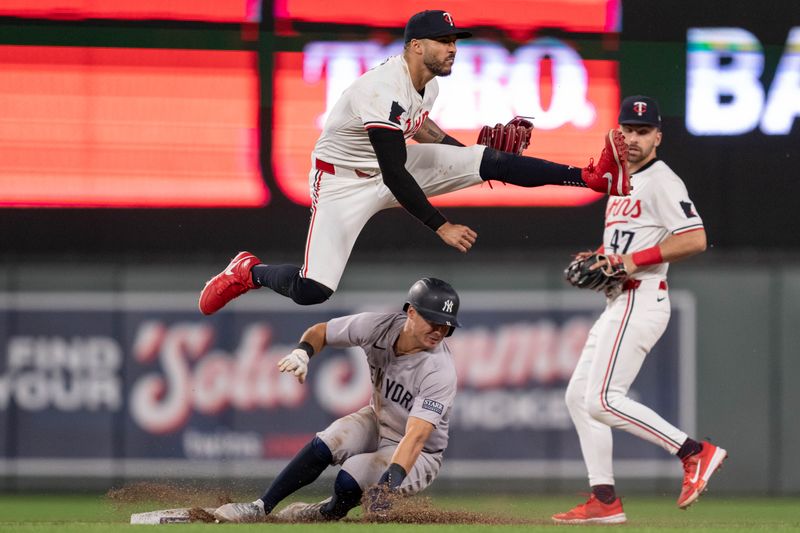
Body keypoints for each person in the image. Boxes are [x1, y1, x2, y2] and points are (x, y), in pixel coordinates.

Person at [198, 9, 630, 315]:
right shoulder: (381, 86)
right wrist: (441, 225)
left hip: (393, 167)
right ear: (415, 46)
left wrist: (465, 156)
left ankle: (589, 177)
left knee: (490, 161)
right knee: (313, 290)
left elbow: (421, 129)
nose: (452, 49)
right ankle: (248, 272)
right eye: (443, 41)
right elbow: (393, 171)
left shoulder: (429, 87)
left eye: (454, 41)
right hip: (342, 183)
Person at [552, 95, 727, 525]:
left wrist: (626, 263)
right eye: (627, 129)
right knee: (579, 398)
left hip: (642, 295)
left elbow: (695, 238)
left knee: (603, 400)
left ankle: (694, 453)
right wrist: (600, 257)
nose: (632, 138)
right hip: (620, 299)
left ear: (658, 138)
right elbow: (622, 247)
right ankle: (604, 499)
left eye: (642, 131)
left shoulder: (661, 180)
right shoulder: (620, 180)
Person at [212, 277, 462, 523]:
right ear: (411, 312)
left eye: (447, 325)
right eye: (433, 320)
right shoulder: (378, 327)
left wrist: (387, 486)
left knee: (349, 478)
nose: (439, 330)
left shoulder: (439, 369)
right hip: (378, 420)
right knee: (328, 441)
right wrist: (303, 352)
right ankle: (259, 507)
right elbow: (321, 332)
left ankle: (327, 512)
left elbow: (416, 436)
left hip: (421, 454)